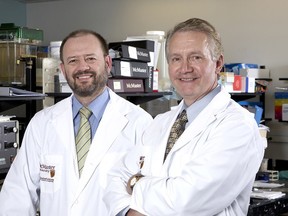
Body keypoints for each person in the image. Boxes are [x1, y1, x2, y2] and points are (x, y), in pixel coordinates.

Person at [103, 18, 266, 216]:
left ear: (218, 63)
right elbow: (114, 179)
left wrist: (136, 182)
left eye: (196, 57)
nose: (185, 68)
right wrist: (128, 212)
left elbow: (186, 201)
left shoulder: (238, 125)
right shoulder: (160, 123)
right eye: (176, 59)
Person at [0, 29, 153, 216]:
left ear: (107, 63)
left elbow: (149, 198)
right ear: (63, 70)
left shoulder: (140, 123)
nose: (83, 67)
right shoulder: (42, 124)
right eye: (73, 61)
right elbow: (17, 196)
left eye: (90, 58)